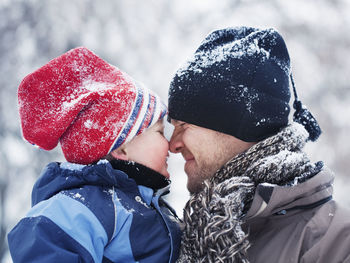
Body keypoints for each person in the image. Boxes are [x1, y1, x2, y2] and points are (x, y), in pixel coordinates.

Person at [168, 26, 350, 263]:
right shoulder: (191, 232)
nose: (173, 145)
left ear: (236, 124)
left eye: (183, 125)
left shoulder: (334, 245)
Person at [7, 47, 181, 263]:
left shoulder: (141, 203)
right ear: (122, 148)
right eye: (160, 132)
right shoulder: (92, 203)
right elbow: (43, 240)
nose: (171, 144)